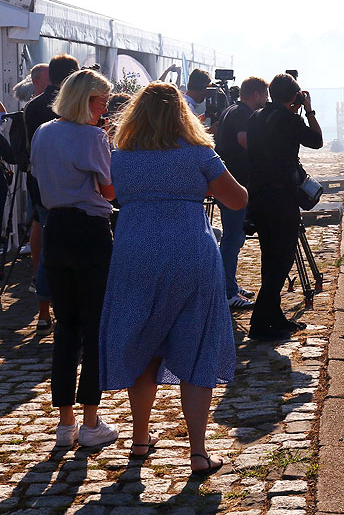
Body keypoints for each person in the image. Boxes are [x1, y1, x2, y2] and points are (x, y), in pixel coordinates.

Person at [99, 82, 246, 472]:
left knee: (142, 341)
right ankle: (198, 452)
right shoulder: (200, 153)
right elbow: (237, 199)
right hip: (189, 253)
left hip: (134, 254)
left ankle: (140, 440)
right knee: (197, 344)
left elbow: (109, 194)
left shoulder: (122, 156)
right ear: (182, 114)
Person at [30, 69, 118, 448]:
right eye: (102, 102)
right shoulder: (93, 136)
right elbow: (109, 190)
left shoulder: (44, 131)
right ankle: (90, 420)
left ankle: (65, 423)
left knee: (66, 327)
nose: (105, 109)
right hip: (88, 231)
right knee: (95, 325)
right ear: (88, 101)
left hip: (56, 228)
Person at [246, 73, 322, 342]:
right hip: (282, 198)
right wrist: (308, 110)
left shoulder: (256, 117)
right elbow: (316, 140)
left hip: (259, 197)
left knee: (271, 259)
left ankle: (273, 317)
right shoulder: (289, 119)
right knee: (282, 260)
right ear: (294, 96)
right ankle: (260, 323)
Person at [25, 55, 79, 331]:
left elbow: (27, 151)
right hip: (72, 186)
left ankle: (44, 312)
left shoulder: (32, 107)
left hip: (41, 182)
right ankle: (71, 309)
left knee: (47, 244)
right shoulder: (71, 106)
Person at [214, 76, 268, 308]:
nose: (266, 99)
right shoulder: (242, 114)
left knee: (234, 237)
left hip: (230, 183)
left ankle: (230, 284)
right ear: (255, 94)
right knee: (232, 238)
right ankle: (227, 292)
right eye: (264, 94)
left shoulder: (231, 110)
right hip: (235, 185)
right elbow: (244, 141)